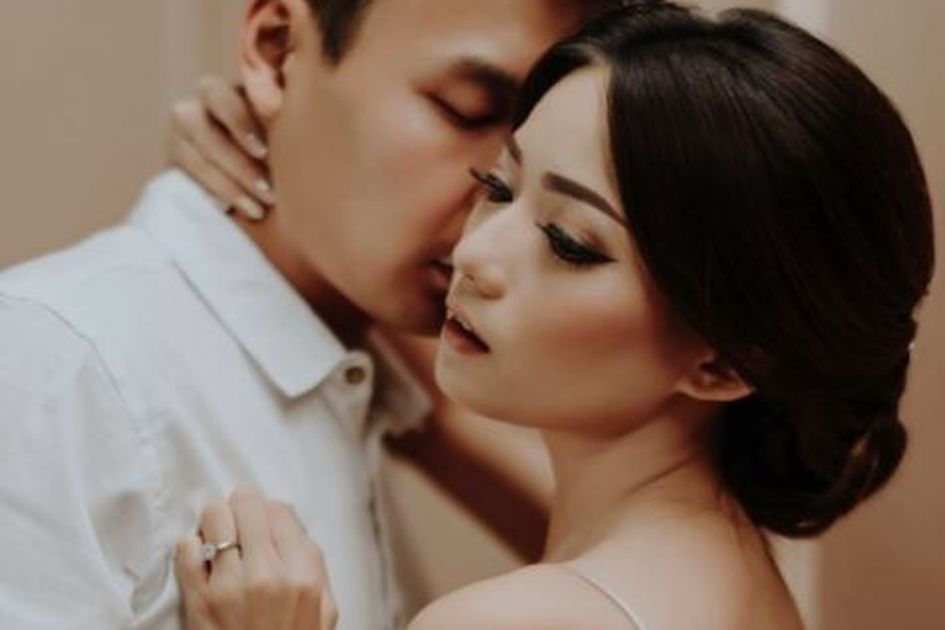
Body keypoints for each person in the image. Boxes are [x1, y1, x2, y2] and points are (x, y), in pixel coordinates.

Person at [172, 3, 936, 629]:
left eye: (570, 243)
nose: (473, 252)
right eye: (497, 188)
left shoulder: (515, 621)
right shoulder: (742, 584)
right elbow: (436, 419)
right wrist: (292, 152)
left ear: (721, 364)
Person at [0, 1, 621, 628]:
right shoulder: (57, 372)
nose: (502, 195)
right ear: (276, 52)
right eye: (466, 110)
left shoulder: (368, 376)